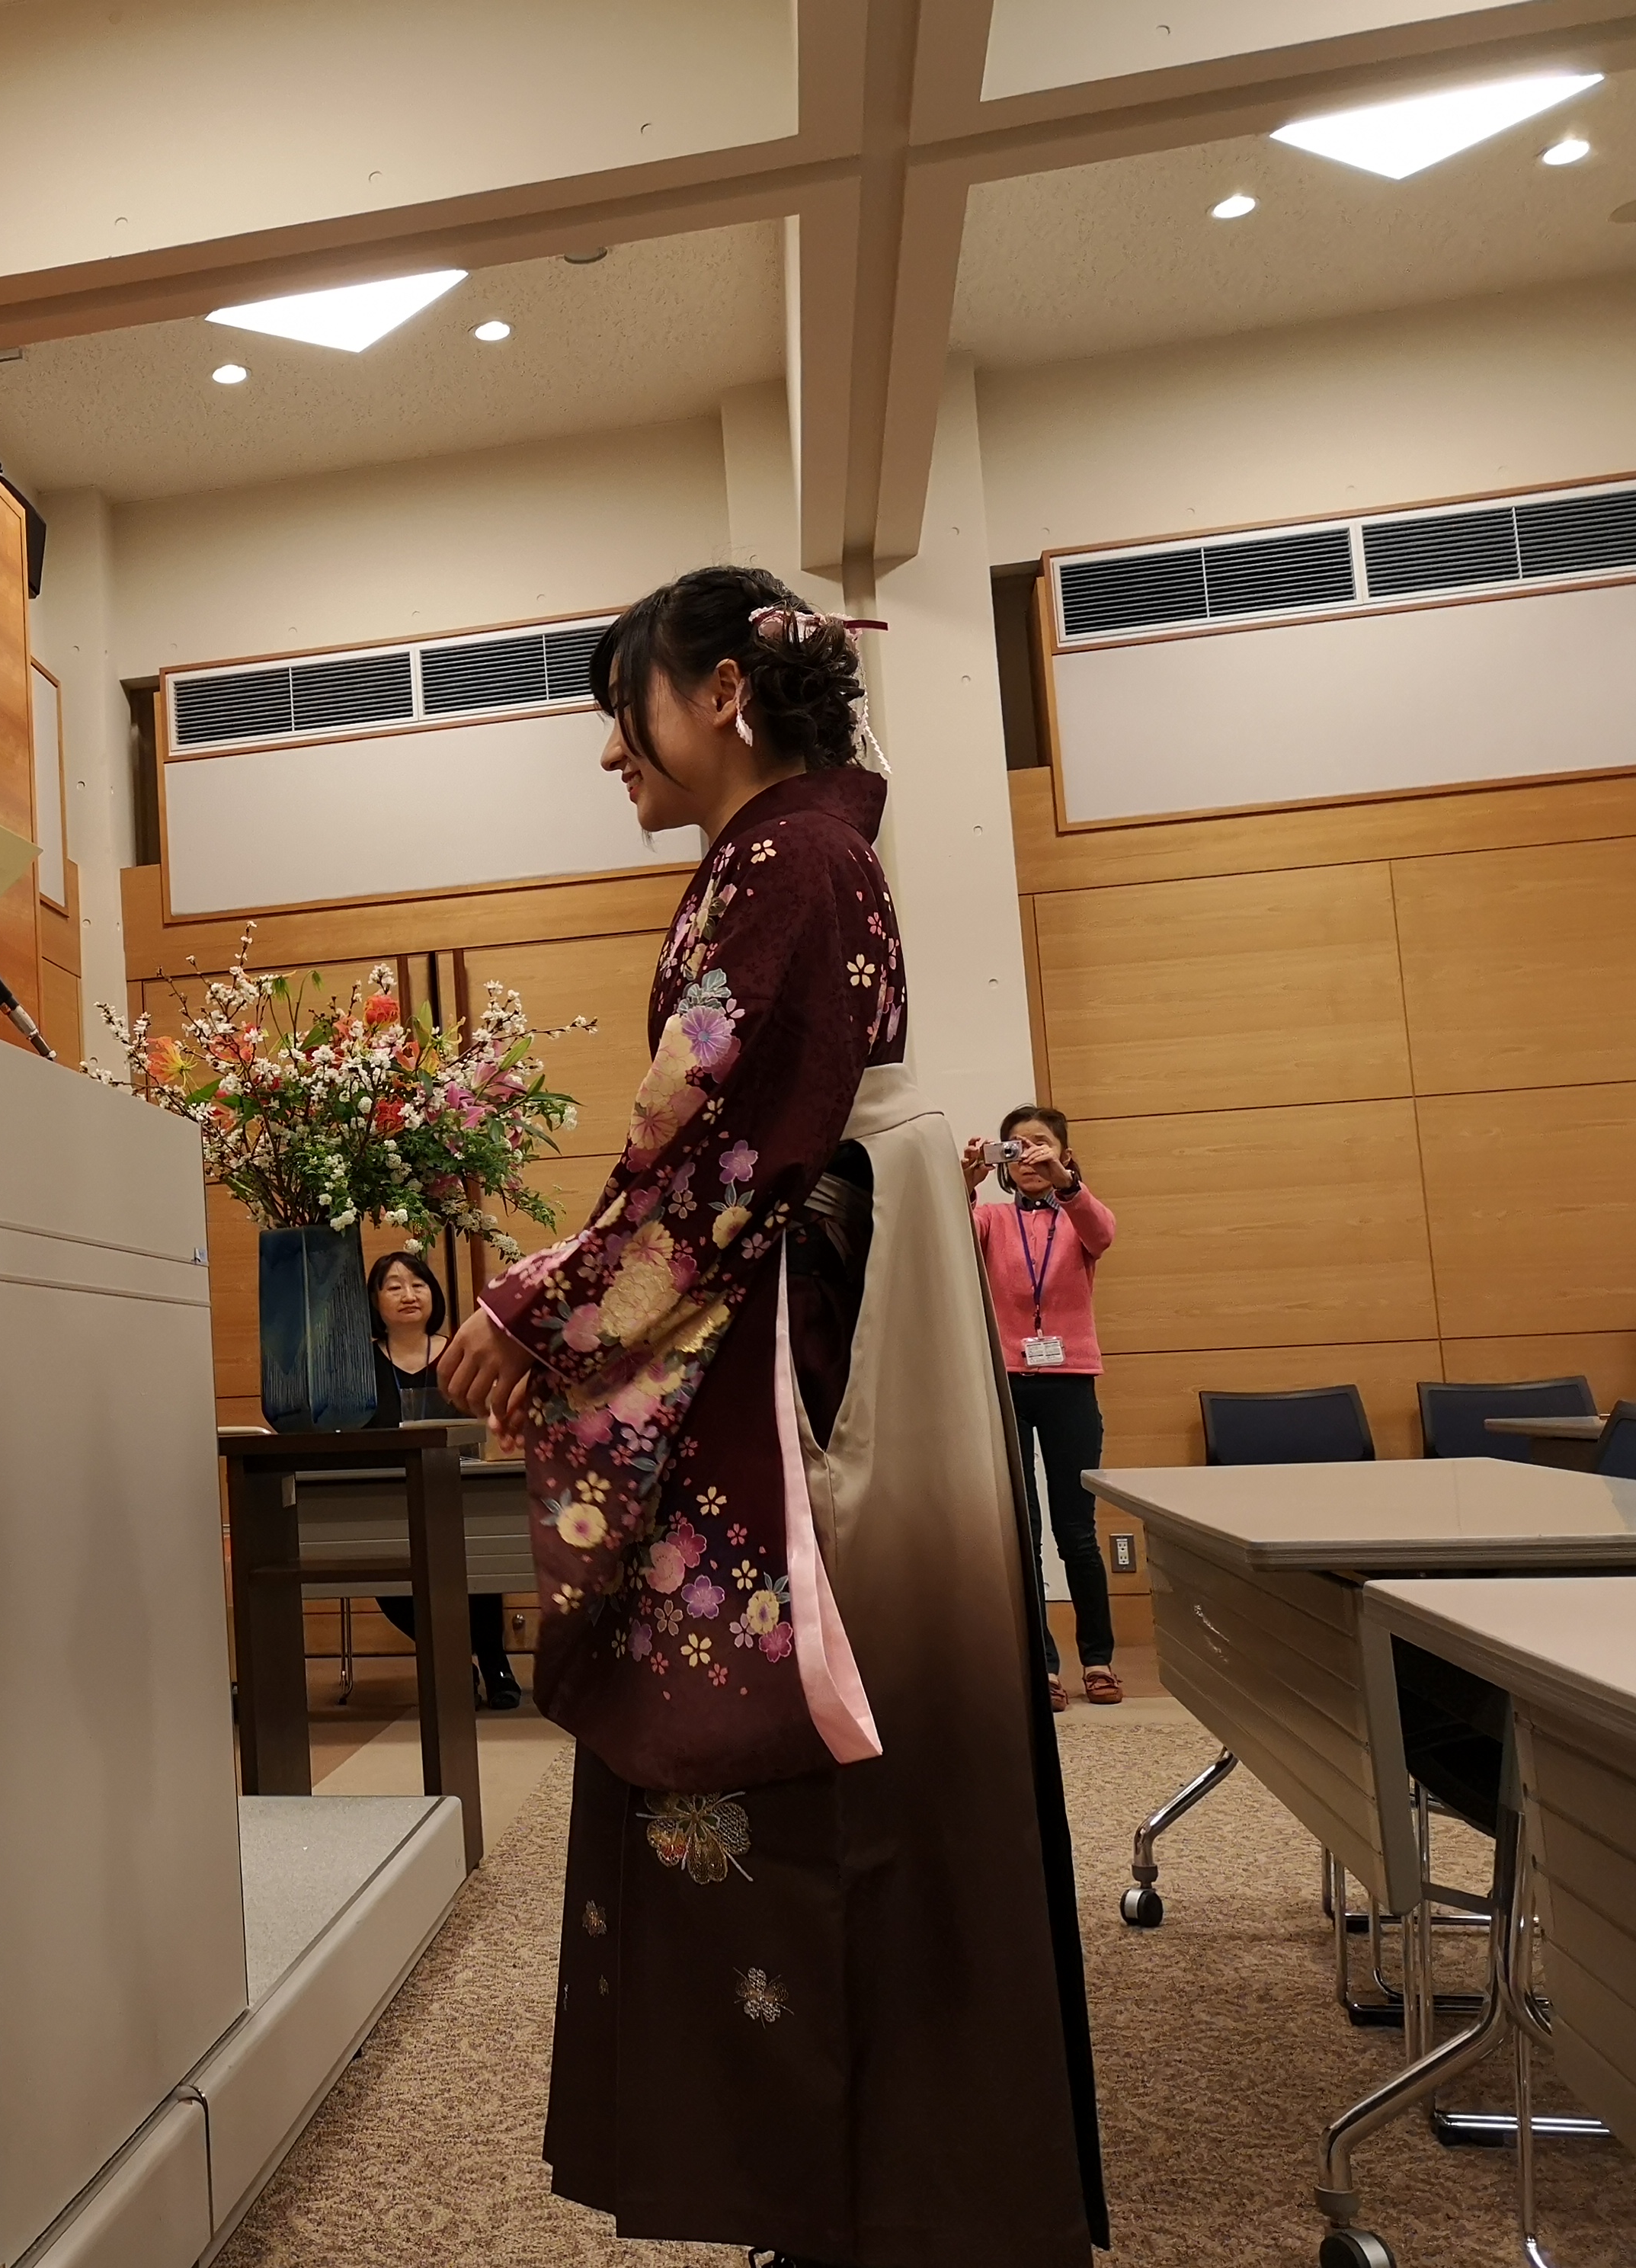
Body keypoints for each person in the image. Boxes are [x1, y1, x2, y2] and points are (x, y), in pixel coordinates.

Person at [437, 565, 1104, 2267]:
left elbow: (713, 1158)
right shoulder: (796, 854)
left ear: (721, 693)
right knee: (836, 1725)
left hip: (798, 1301)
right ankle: (854, 2182)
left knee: (793, 1724)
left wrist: (535, 1310)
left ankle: (848, 2188)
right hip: (816, 1278)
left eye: (626, 709)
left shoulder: (788, 862)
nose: (611, 752)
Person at [968, 1107, 1122, 1712]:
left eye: (1040, 1145)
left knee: (1077, 1531)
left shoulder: (1077, 1215)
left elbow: (1103, 1233)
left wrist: (1067, 1184)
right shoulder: (991, 1218)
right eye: (1015, 1146)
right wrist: (964, 1184)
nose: (1027, 1155)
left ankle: (1098, 1659)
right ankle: (1044, 1666)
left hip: (1070, 1382)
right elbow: (947, 1242)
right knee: (1023, 1531)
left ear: (1064, 1154)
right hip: (1007, 1381)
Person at [367, 1248, 521, 1710]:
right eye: (394, 1287)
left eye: (418, 1284)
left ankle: (495, 1662)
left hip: (461, 1487)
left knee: (480, 1555)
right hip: (388, 1498)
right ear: (374, 1301)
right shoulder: (359, 1364)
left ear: (433, 1293)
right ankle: (455, 1658)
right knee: (385, 1574)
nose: (408, 1295)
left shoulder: (461, 1351)